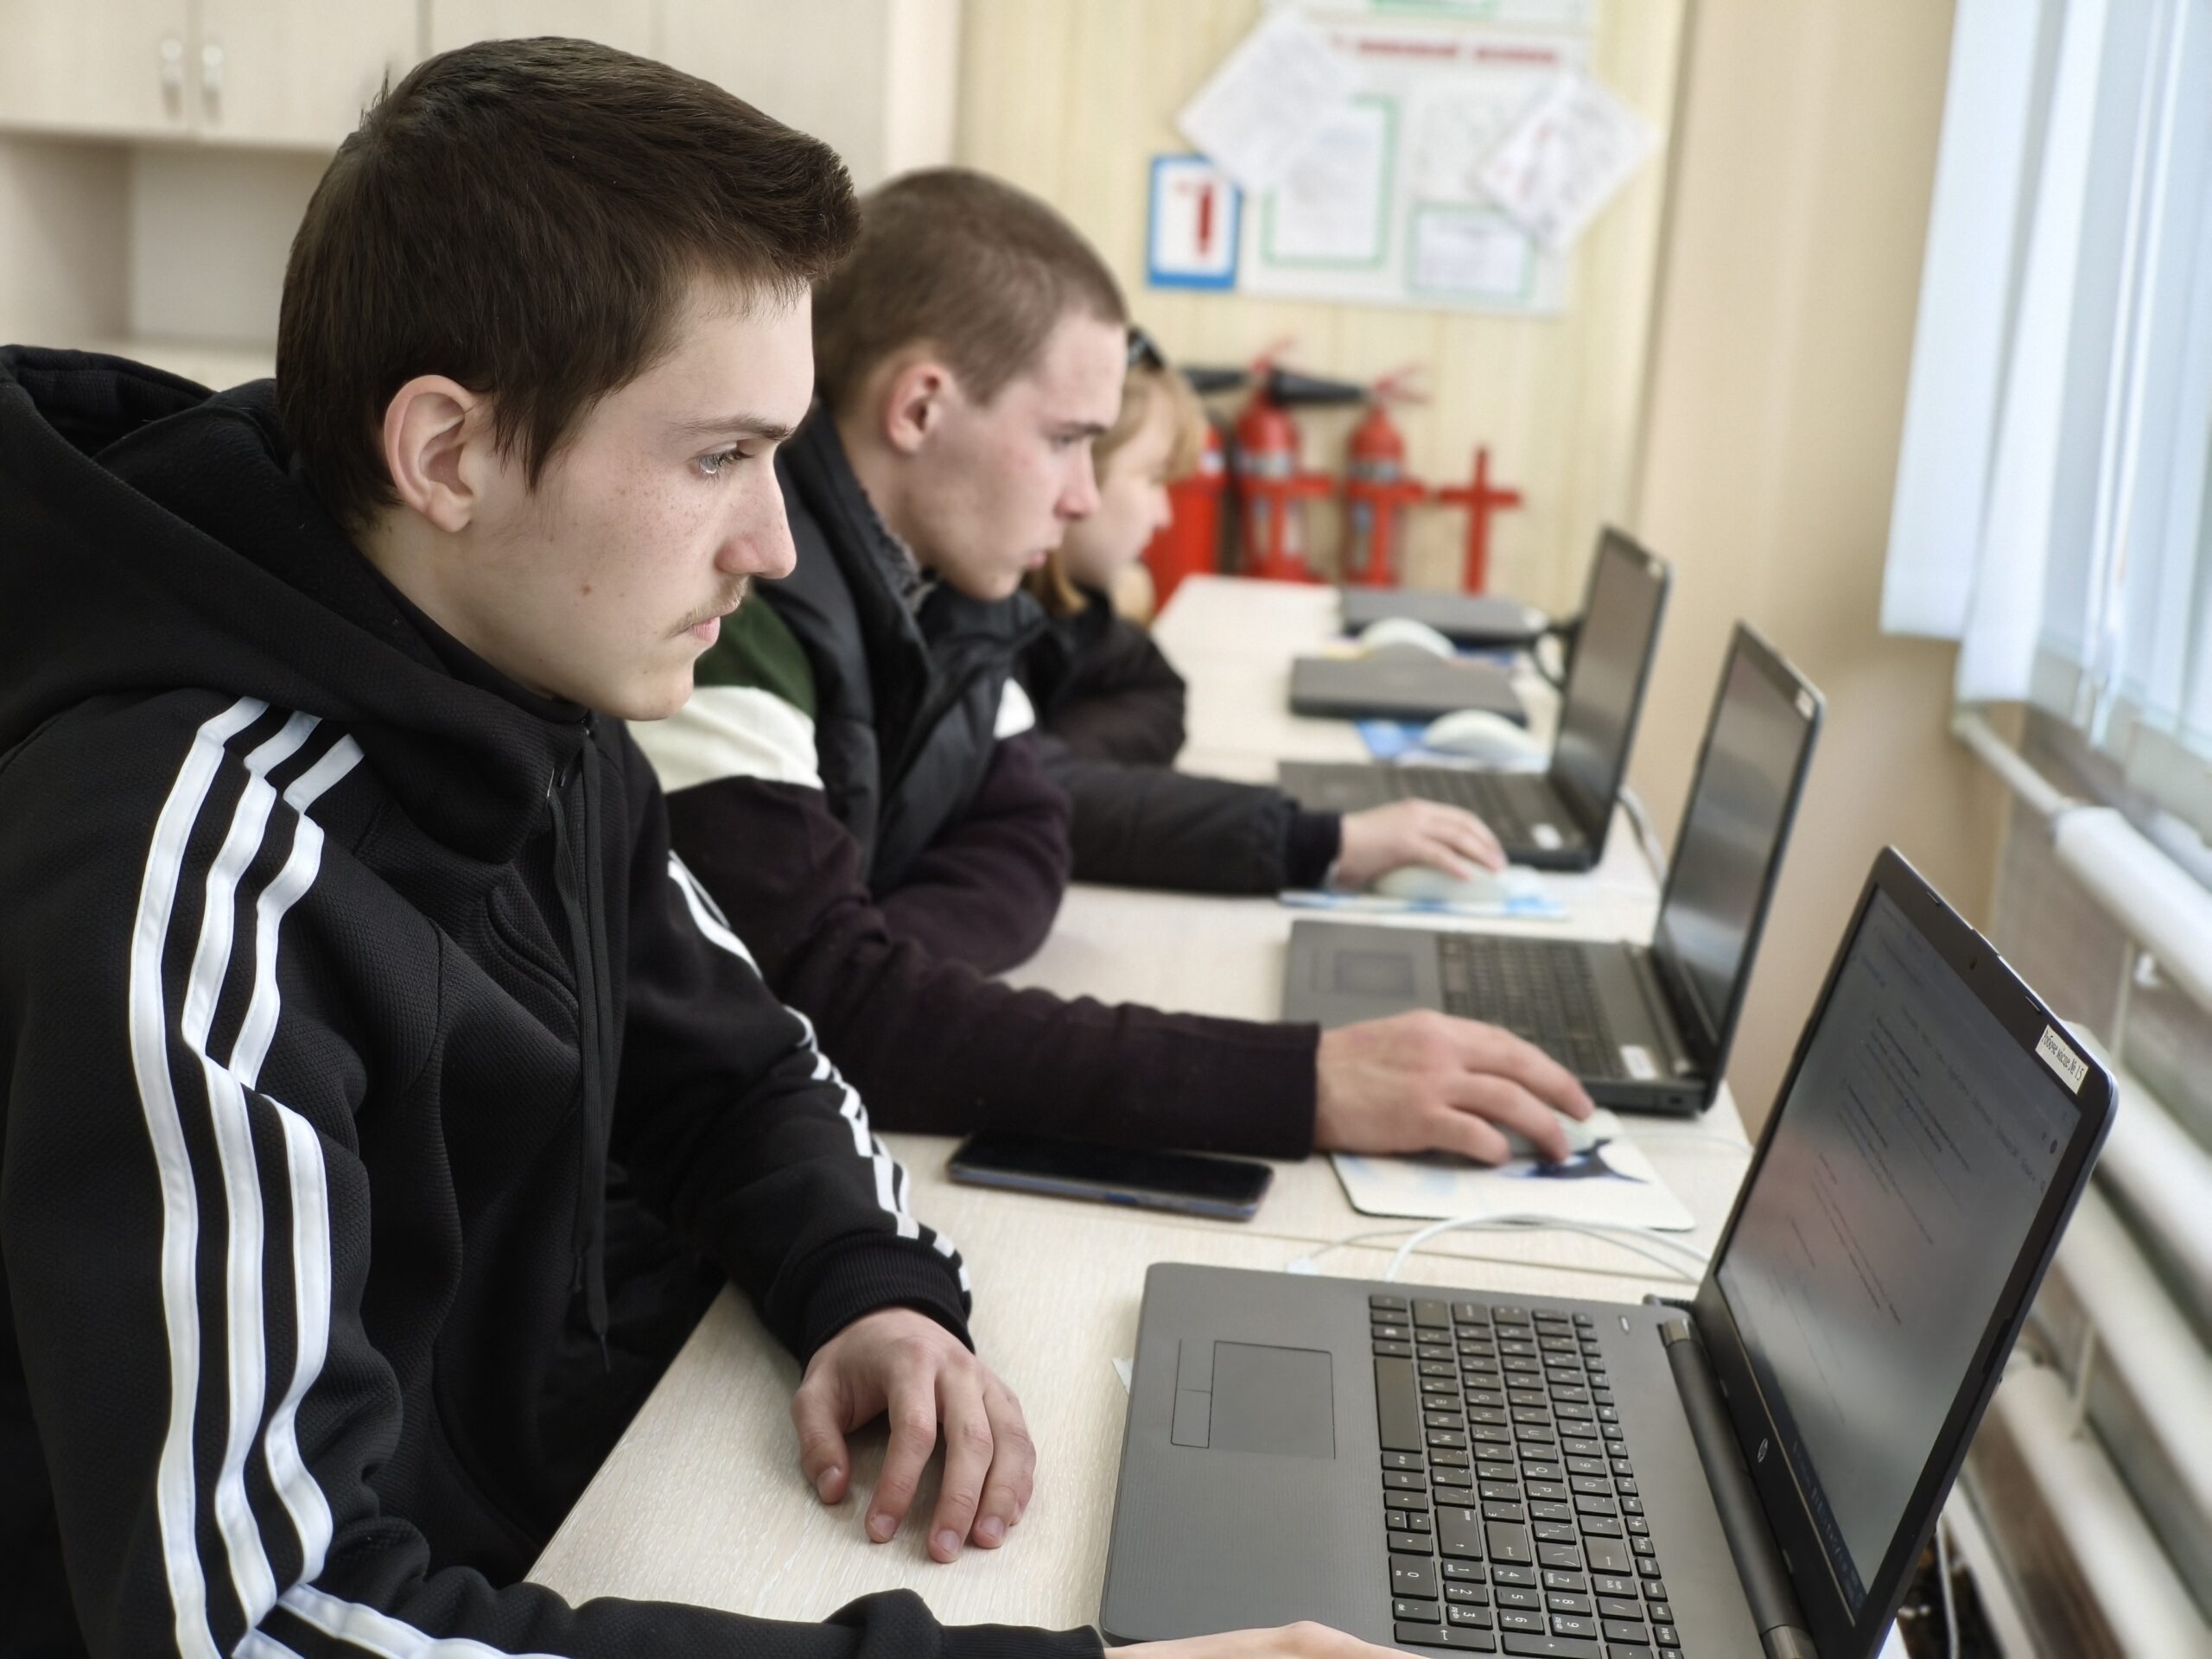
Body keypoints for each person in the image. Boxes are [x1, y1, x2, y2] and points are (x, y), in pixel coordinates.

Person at [0, 39, 1397, 1659]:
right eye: (719, 455)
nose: (778, 543)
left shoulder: (538, 692)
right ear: (448, 455)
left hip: (535, 1524)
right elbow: (262, 1629)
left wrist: (868, 1281)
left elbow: (741, 1064)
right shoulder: (191, 868)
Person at [635, 168, 1594, 1167]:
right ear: (919, 408)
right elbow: (825, 1012)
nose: (1084, 498)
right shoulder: (734, 611)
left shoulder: (950, 591)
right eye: (1065, 440)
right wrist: (1301, 1084)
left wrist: (884, 968)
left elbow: (1027, 827)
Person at [1017, 327, 1504, 895]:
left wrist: (1057, 760)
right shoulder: (978, 620)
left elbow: (1152, 692)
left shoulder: (1070, 616)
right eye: (1152, 479)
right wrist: (1324, 842)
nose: (1164, 515)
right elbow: (1036, 795)